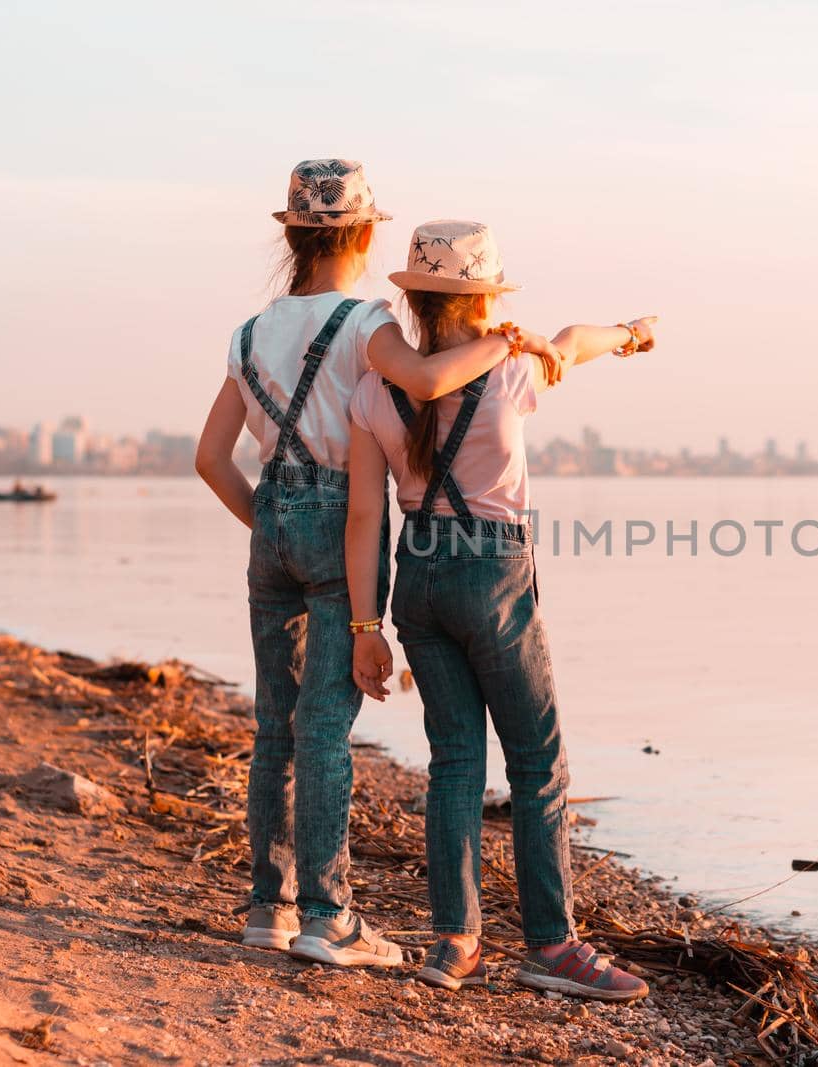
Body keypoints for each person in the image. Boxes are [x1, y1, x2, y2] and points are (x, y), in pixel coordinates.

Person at [195, 163, 564, 968]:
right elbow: (431, 380)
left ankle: (269, 906)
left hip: (272, 529)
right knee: (324, 724)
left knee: (273, 723)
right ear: (364, 236)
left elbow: (210, 458)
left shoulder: (249, 332)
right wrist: (510, 337)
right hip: (340, 521)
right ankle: (328, 914)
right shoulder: (366, 323)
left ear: (292, 234)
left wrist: (273, 523)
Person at [344, 219, 656, 1000]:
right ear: (483, 299)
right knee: (537, 763)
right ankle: (551, 945)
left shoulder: (370, 388)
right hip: (493, 570)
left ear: (414, 301)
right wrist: (630, 334)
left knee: (454, 759)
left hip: (414, 574)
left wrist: (365, 627)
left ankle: (455, 941)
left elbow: (362, 519)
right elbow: (575, 341)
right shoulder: (513, 366)